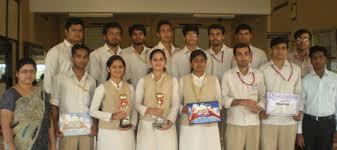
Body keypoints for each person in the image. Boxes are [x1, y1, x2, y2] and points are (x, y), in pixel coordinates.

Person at [0, 58, 56, 150]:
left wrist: (53, 145)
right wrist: (11, 147)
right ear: (17, 74)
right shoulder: (10, 95)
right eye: (24, 71)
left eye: (32, 71)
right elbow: (5, 126)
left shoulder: (42, 94)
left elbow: (48, 121)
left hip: (42, 145)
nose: (28, 74)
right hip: (18, 145)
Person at [259, 37, 302, 150]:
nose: (280, 51)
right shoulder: (262, 69)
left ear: (287, 50)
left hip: (289, 119)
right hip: (269, 119)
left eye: (283, 48)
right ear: (271, 50)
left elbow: (299, 92)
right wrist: (262, 110)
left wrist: (299, 111)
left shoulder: (296, 69)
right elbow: (261, 94)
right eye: (276, 48)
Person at [51, 44, 97, 150]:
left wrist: (94, 126)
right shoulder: (60, 78)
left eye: (85, 57)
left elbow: (94, 106)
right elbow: (54, 106)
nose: (82, 60)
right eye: (79, 56)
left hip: (86, 128)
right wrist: (55, 126)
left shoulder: (91, 80)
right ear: (72, 58)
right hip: (66, 129)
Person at [222, 43, 265, 150]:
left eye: (246, 54)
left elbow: (263, 96)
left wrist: (259, 107)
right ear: (234, 57)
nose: (243, 57)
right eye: (239, 54)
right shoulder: (228, 75)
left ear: (250, 56)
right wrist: (242, 101)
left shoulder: (258, 74)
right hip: (235, 122)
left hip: (253, 122)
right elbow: (223, 99)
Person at [90, 55, 137, 150]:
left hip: (126, 133)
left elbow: (134, 109)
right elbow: (92, 111)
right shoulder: (102, 87)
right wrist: (113, 116)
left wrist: (132, 124)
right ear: (108, 69)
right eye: (114, 67)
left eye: (120, 67)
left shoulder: (130, 87)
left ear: (124, 69)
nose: (118, 69)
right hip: (108, 132)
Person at [135, 49, 179, 150]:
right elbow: (136, 104)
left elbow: (176, 103)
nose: (158, 62)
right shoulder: (143, 80)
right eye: (155, 60)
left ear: (165, 61)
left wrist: (170, 121)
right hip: (147, 124)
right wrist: (149, 110)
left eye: (161, 59)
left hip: (166, 123)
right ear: (150, 62)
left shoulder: (173, 80)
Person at [179, 50, 222, 150]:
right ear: (191, 63)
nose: (199, 63)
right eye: (196, 61)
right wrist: (184, 109)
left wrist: (204, 111)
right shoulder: (183, 80)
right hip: (188, 125)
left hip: (209, 125)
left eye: (202, 60)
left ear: (206, 62)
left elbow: (220, 102)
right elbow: (177, 103)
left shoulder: (214, 79)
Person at [296, 46, 337, 150]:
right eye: (314, 57)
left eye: (320, 57)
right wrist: (299, 132)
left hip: (329, 124)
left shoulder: (335, 79)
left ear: (326, 59)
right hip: (309, 123)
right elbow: (300, 107)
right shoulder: (305, 80)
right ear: (310, 60)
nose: (317, 60)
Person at [44, 17, 84, 96]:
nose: (77, 33)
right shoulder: (55, 51)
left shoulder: (84, 53)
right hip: (60, 98)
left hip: (80, 97)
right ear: (66, 32)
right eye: (74, 30)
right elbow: (48, 78)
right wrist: (51, 103)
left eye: (80, 31)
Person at [121, 24, 151, 88]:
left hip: (148, 89)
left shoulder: (151, 52)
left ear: (144, 36)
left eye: (140, 34)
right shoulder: (123, 53)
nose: (138, 36)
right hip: (128, 89)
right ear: (131, 36)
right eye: (135, 34)